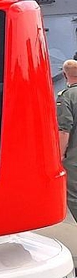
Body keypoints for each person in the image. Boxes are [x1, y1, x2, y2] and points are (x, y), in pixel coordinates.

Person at [57, 59, 77, 219]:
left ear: (65, 75)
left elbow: (64, 130)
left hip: (73, 155)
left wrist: (60, 155)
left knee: (73, 196)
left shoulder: (66, 96)